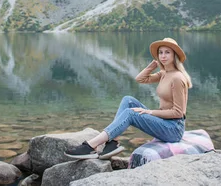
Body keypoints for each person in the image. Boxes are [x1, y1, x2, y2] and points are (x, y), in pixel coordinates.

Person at [65, 37, 193, 160]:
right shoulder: (164, 73)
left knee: (131, 114)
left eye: (167, 53)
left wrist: (150, 112)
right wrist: (151, 66)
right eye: (160, 53)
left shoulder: (177, 78)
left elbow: (178, 112)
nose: (163, 56)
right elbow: (140, 79)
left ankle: (91, 145)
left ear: (174, 55)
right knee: (128, 100)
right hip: (164, 121)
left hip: (173, 129)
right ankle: (113, 142)